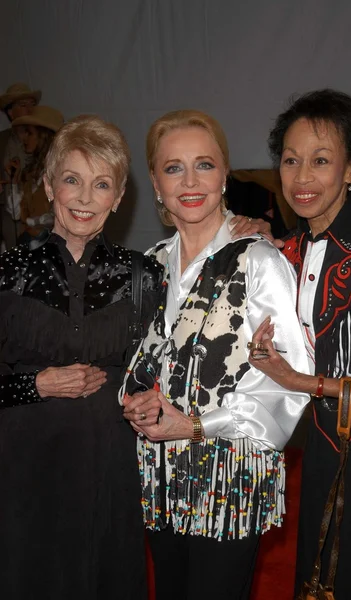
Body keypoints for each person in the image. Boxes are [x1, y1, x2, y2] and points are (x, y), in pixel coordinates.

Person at [121, 109, 310, 600]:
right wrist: (136, 397)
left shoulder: (258, 259)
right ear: (156, 183)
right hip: (159, 475)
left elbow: (287, 379)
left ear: (225, 175)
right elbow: (139, 357)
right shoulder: (152, 265)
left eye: (203, 165)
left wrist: (196, 424)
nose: (190, 181)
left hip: (229, 476)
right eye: (173, 167)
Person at [0, 114, 163, 599]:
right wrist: (37, 385)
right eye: (72, 180)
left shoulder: (143, 276)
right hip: (24, 469)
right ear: (49, 187)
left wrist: (147, 399)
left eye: (101, 184)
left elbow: (157, 373)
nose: (86, 198)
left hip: (106, 470)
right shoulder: (9, 271)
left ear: (117, 199)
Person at [250, 89, 351, 599]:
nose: (302, 177)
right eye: (290, 161)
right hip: (321, 447)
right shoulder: (284, 254)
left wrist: (305, 381)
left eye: (321, 161)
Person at [6, 105, 64, 243]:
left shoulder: (60, 173)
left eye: (30, 133)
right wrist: (14, 182)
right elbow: (16, 214)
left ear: (44, 137)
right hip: (29, 244)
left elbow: (59, 214)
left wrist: (32, 221)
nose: (25, 138)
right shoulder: (31, 173)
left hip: (50, 246)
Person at [0, 82, 41, 249]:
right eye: (23, 105)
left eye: (32, 104)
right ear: (10, 112)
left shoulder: (43, 138)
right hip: (8, 212)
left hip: (39, 212)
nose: (30, 109)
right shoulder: (2, 140)